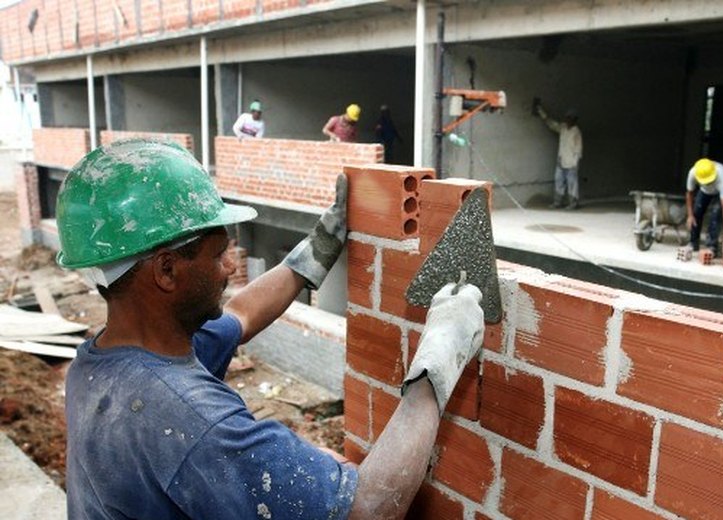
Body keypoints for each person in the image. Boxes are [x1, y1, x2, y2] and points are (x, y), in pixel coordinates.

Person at [58, 139, 485, 519]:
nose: (230, 267)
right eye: (219, 254)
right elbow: (366, 509)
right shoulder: (192, 421)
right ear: (166, 270)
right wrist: (439, 357)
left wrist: (316, 250)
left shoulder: (103, 365)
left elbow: (241, 316)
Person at [535, 102, 583, 209]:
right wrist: (541, 112)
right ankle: (557, 202)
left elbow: (578, 150)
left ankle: (573, 203)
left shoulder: (576, 132)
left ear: (575, 119)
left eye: (570, 118)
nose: (567, 120)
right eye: (567, 117)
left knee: (572, 184)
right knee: (559, 182)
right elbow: (551, 124)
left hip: (571, 163)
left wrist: (575, 163)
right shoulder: (563, 128)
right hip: (561, 162)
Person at [685, 158, 723, 255]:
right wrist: (690, 215)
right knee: (696, 212)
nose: (708, 182)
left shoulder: (722, 175)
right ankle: (693, 242)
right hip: (705, 191)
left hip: (721, 189)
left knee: (716, 214)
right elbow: (689, 193)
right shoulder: (693, 172)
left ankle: (712, 246)